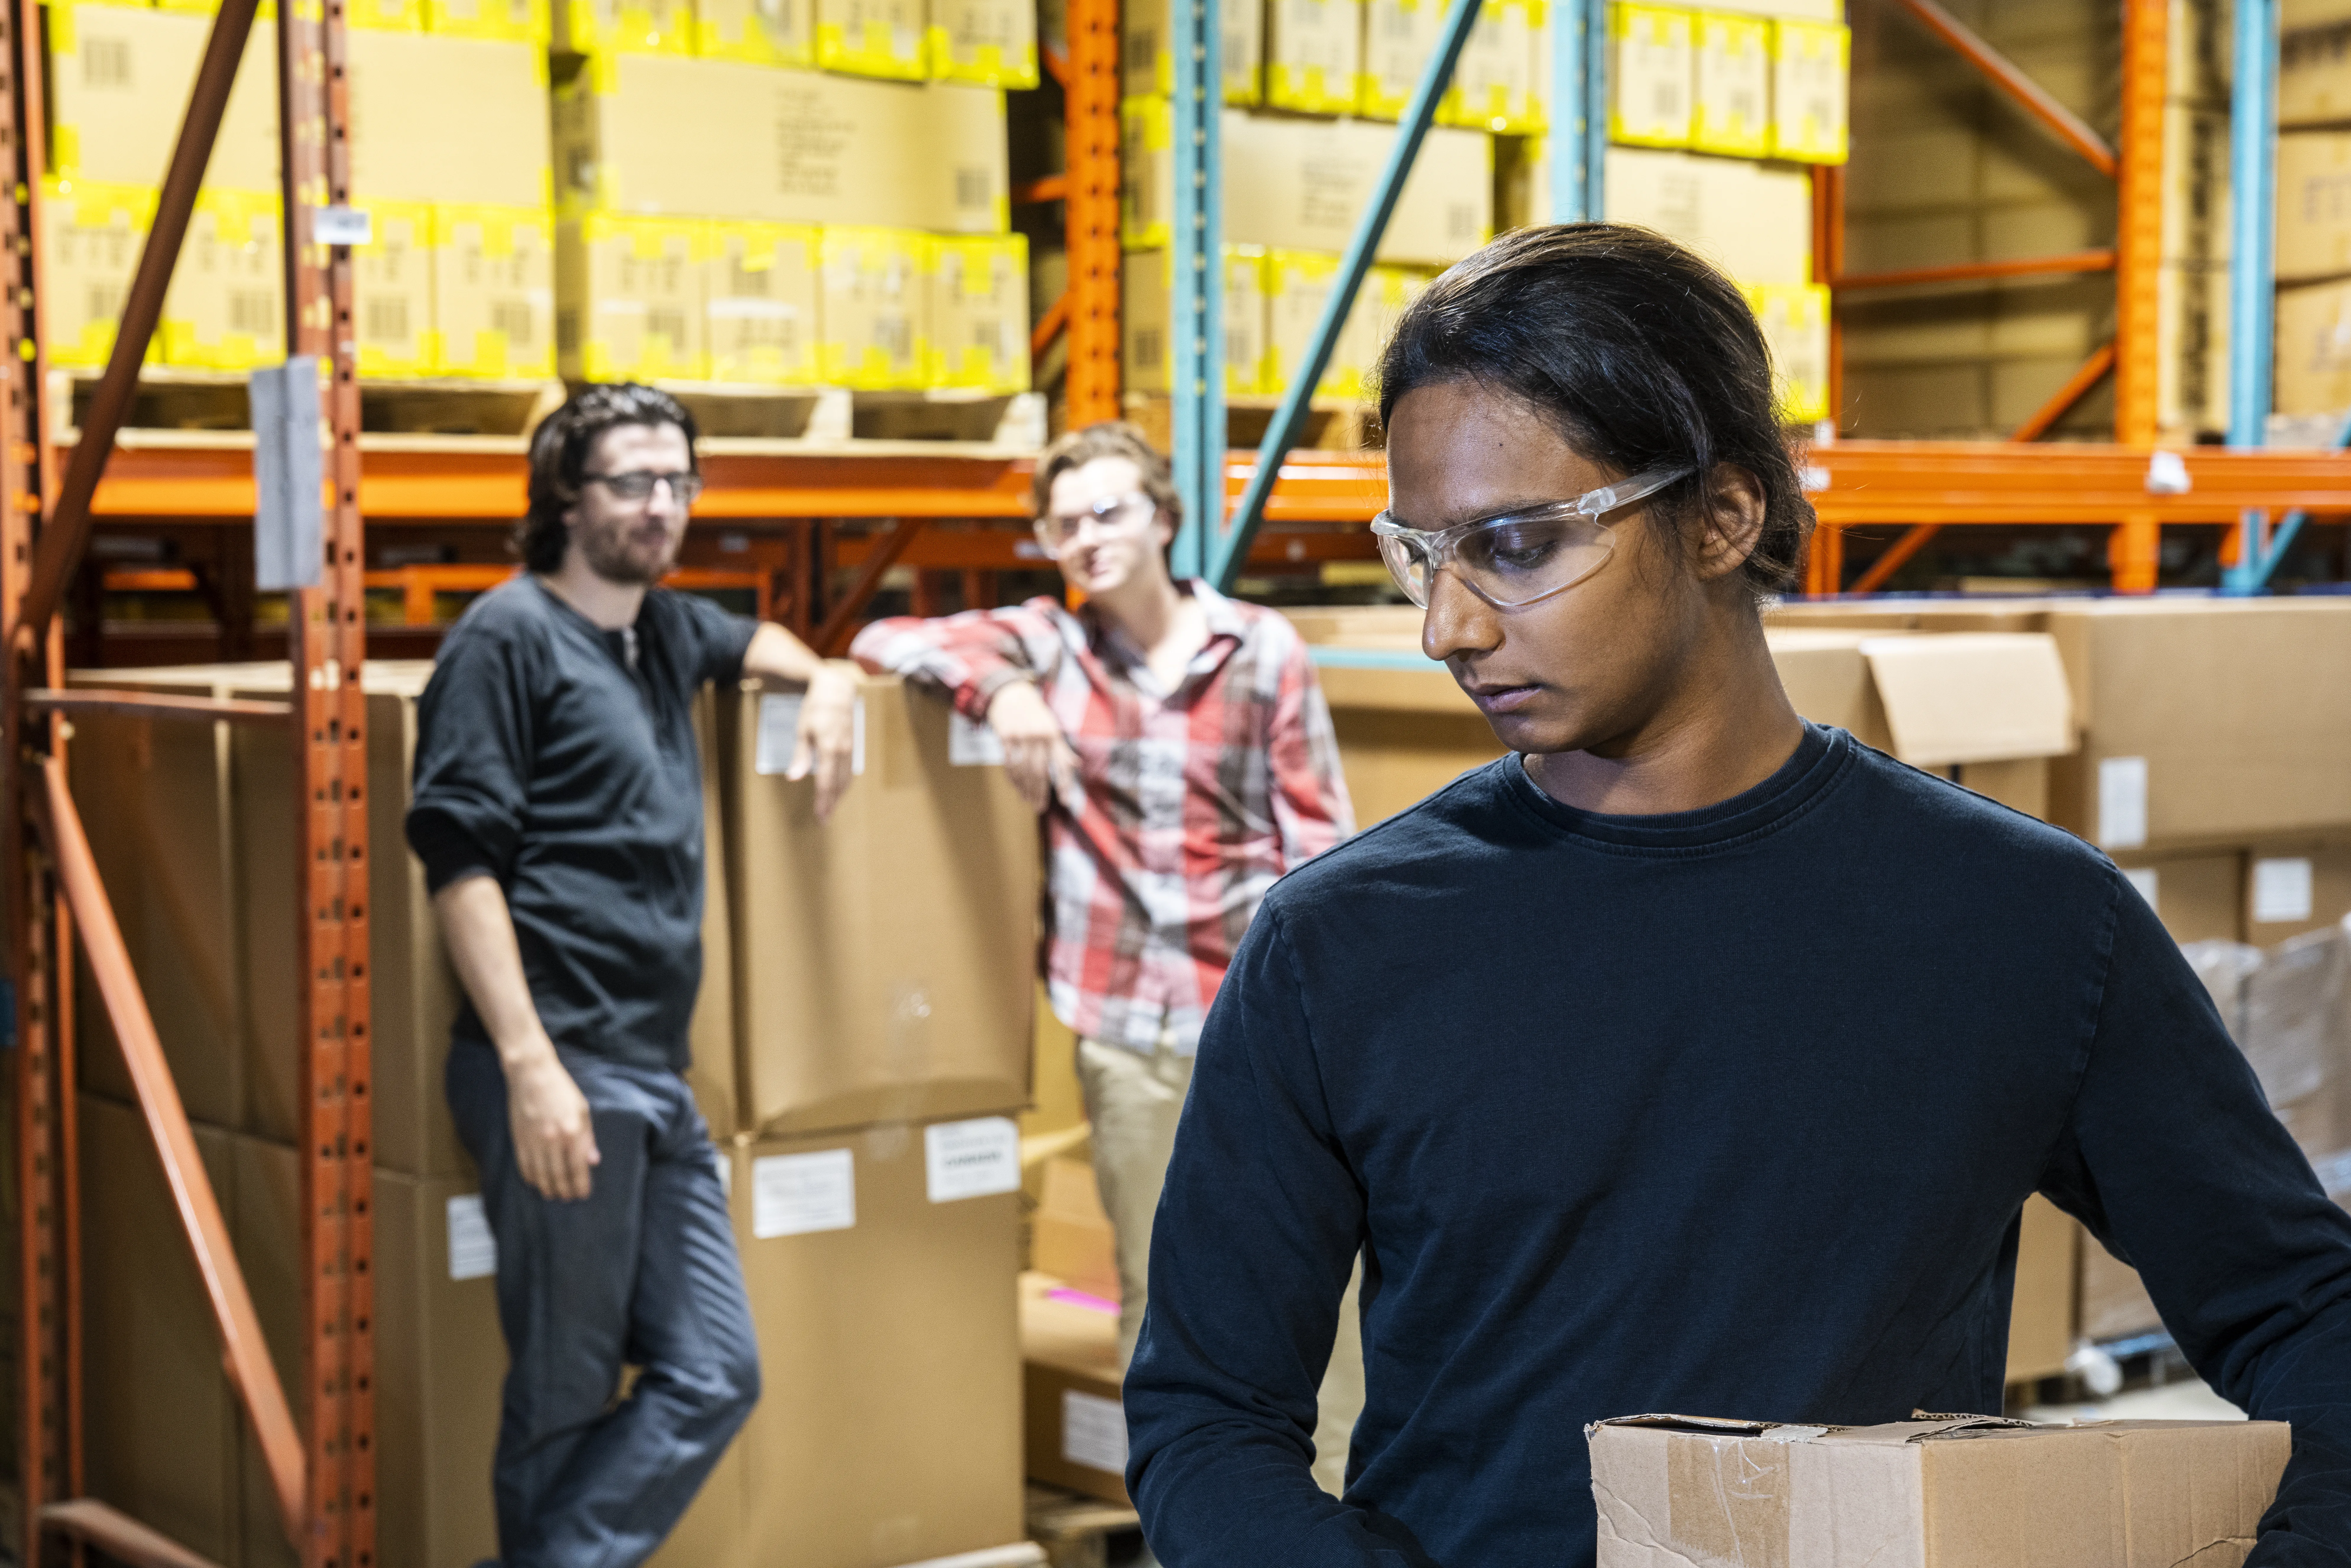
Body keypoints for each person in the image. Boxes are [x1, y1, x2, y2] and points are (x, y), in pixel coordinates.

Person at [1122, 224, 2351, 1566]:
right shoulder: (1338, 947)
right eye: (1424, 555)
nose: (1449, 629)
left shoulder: (2023, 921)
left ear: (1722, 513)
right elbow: (1206, 1418)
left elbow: (2301, 1311)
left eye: (1520, 545)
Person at [852, 421, 1364, 1490]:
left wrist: (1332, 1021)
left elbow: (1321, 846)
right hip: (1126, 1033)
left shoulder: (1257, 649)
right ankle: (1195, 1527)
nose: (1087, 535)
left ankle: (1329, 1524)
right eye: (1065, 521)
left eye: (1110, 511)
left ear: (1164, 521)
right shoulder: (1052, 646)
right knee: (1157, 1298)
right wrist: (1005, 691)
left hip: (1255, 1028)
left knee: (1314, 1286)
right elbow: (887, 643)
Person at [405, 383, 863, 1568]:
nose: (661, 507)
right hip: (563, 1065)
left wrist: (828, 679)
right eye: (632, 483)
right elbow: (456, 858)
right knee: (562, 1391)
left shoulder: (659, 632)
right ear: (565, 493)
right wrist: (528, 1067)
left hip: (653, 1073)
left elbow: (750, 641)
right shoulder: (506, 638)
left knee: (715, 1370)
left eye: (678, 483)